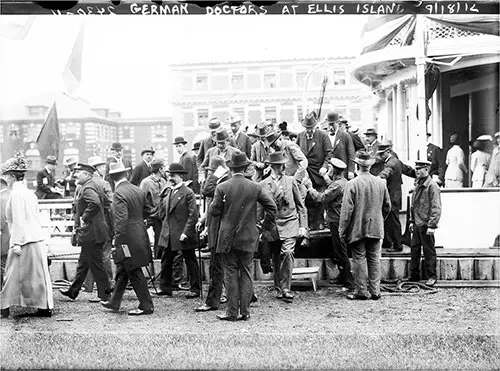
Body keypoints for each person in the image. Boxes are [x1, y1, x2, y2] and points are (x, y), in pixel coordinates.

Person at [210, 151, 277, 321]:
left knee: (230, 273)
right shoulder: (255, 186)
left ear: (231, 169)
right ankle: (245, 312)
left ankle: (232, 312)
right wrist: (264, 227)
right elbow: (272, 208)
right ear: (245, 167)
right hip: (249, 237)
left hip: (228, 238)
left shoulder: (222, 187)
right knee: (246, 273)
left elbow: (214, 211)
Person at [0, 156, 53, 318]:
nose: (5, 178)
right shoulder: (30, 193)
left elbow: (18, 220)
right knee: (37, 276)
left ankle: (4, 307)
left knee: (12, 275)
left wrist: (16, 242)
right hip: (35, 238)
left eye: (7, 175)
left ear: (13, 176)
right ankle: (43, 306)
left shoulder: (16, 194)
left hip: (23, 241)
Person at [100, 162, 154, 316]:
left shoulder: (118, 193)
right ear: (126, 174)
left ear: (111, 178)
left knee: (133, 270)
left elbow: (121, 220)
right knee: (124, 269)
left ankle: (146, 305)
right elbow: (148, 211)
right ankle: (114, 301)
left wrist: (117, 241)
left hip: (126, 239)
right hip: (139, 235)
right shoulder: (137, 190)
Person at [339, 151, 391, 301]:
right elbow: (387, 206)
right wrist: (379, 219)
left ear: (357, 166)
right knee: (375, 259)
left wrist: (342, 230)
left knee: (359, 259)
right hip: (376, 227)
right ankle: (375, 291)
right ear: (370, 166)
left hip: (357, 229)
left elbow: (346, 211)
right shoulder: (380, 183)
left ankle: (361, 291)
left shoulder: (352, 184)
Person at [59, 163, 112, 303]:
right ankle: (73, 291)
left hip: (91, 233)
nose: (76, 175)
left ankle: (106, 295)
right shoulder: (94, 185)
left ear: (87, 175)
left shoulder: (88, 188)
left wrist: (85, 217)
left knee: (97, 265)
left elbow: (94, 203)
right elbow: (106, 202)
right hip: (94, 231)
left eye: (79, 172)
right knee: (83, 263)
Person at [259, 151, 306, 302]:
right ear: (272, 166)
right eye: (279, 165)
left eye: (283, 164)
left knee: (287, 252)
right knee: (275, 256)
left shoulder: (291, 181)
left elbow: (301, 206)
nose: (282, 167)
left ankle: (286, 287)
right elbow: (259, 208)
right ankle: (279, 287)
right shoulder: (263, 184)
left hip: (290, 221)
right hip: (272, 224)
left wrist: (303, 227)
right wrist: (259, 226)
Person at [306, 158, 354, 290]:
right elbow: (332, 186)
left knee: (340, 251)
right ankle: (342, 276)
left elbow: (321, 198)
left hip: (336, 221)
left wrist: (310, 188)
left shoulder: (337, 186)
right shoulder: (344, 182)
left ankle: (349, 282)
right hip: (340, 219)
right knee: (338, 250)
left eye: (330, 169)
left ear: (333, 170)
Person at [157, 163, 200, 298]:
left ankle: (196, 288)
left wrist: (186, 233)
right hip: (169, 233)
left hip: (183, 234)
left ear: (181, 176)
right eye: (169, 175)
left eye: (173, 176)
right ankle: (165, 287)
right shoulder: (168, 191)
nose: (170, 178)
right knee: (166, 260)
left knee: (190, 260)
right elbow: (162, 213)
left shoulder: (188, 193)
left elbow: (193, 216)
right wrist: (161, 195)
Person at [194, 156, 231, 312]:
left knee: (216, 268)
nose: (209, 174)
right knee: (227, 266)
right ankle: (249, 295)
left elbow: (206, 190)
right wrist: (204, 221)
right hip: (221, 230)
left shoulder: (222, 182)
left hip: (220, 233)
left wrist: (214, 175)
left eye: (211, 171)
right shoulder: (224, 181)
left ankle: (212, 302)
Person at [82, 156, 115, 297]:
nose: (105, 168)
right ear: (96, 169)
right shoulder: (103, 183)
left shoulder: (83, 184)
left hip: (88, 226)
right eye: (102, 167)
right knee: (104, 254)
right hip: (103, 224)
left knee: (89, 255)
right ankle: (108, 284)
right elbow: (110, 203)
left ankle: (87, 285)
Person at [296, 113, 333, 230]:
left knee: (320, 199)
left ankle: (319, 222)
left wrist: (325, 166)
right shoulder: (300, 136)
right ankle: (309, 224)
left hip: (319, 173)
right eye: (307, 128)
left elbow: (329, 154)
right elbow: (296, 153)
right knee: (307, 199)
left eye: (311, 128)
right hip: (305, 174)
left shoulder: (323, 136)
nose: (309, 130)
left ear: (315, 126)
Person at [409, 161, 442, 286]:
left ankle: (432, 276)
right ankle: (414, 276)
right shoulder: (418, 184)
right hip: (417, 223)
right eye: (416, 169)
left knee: (429, 251)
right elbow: (414, 205)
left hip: (426, 224)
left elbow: (436, 207)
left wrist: (432, 225)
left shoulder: (432, 186)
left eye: (420, 169)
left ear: (427, 170)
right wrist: (412, 221)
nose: (417, 171)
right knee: (414, 250)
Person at [376, 141, 404, 252]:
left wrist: (376, 179)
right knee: (389, 221)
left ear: (388, 152)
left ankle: (397, 245)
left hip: (392, 197)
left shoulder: (390, 164)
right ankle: (388, 242)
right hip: (395, 195)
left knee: (393, 222)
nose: (380, 156)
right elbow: (408, 170)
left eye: (382, 154)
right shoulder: (397, 161)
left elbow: (385, 173)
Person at [140, 159, 168, 259]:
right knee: (158, 239)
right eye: (163, 167)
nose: (165, 170)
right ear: (160, 169)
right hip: (153, 215)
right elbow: (141, 199)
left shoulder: (164, 181)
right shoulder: (146, 182)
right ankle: (157, 260)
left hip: (163, 215)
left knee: (162, 238)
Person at [326, 112, 355, 180]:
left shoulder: (345, 136)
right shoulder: (325, 136)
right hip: (329, 172)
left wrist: (351, 171)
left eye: (332, 124)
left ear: (337, 123)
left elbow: (351, 154)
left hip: (342, 172)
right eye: (329, 124)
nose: (330, 127)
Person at [0, 177, 10, 287]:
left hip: (4, 236)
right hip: (15, 236)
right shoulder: (12, 195)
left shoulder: (1, 198)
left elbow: (1, 221)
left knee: (2, 265)